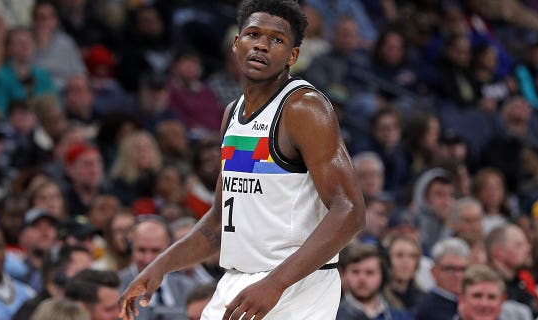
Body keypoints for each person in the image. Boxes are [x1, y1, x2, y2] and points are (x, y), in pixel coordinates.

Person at [118, 1, 365, 320]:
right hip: (239, 281)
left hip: (297, 287)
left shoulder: (305, 108)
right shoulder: (232, 114)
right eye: (252, 34)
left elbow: (350, 210)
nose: (261, 44)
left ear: (292, 56)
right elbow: (220, 222)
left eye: (276, 39)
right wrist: (160, 266)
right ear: (237, 44)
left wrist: (275, 284)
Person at [336, 243, 411, 320]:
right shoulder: (333, 314)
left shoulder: (399, 315)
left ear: (383, 276)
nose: (362, 278)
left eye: (370, 272)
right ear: (344, 275)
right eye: (355, 272)